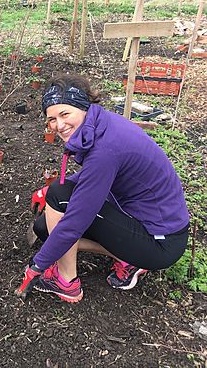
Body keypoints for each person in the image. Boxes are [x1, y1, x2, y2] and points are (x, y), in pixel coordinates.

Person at [16, 74, 189, 303]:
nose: (59, 125)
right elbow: (93, 176)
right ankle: (126, 258)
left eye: (65, 114)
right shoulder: (103, 124)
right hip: (141, 220)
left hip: (160, 242)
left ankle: (66, 282)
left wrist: (39, 263)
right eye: (52, 119)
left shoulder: (106, 150)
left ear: (83, 107)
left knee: (59, 199)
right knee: (45, 227)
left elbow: (77, 218)